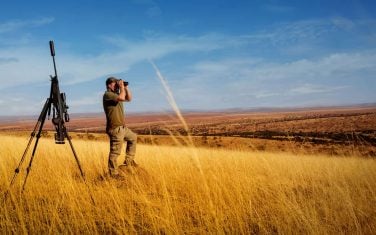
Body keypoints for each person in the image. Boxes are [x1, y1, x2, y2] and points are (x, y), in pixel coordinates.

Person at [103, 76, 137, 177]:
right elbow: (122, 98)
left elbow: (129, 98)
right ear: (109, 85)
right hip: (115, 128)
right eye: (115, 83)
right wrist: (121, 87)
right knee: (115, 152)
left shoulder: (116, 94)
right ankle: (113, 173)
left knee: (133, 138)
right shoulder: (108, 95)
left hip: (122, 127)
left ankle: (129, 161)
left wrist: (125, 87)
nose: (117, 85)